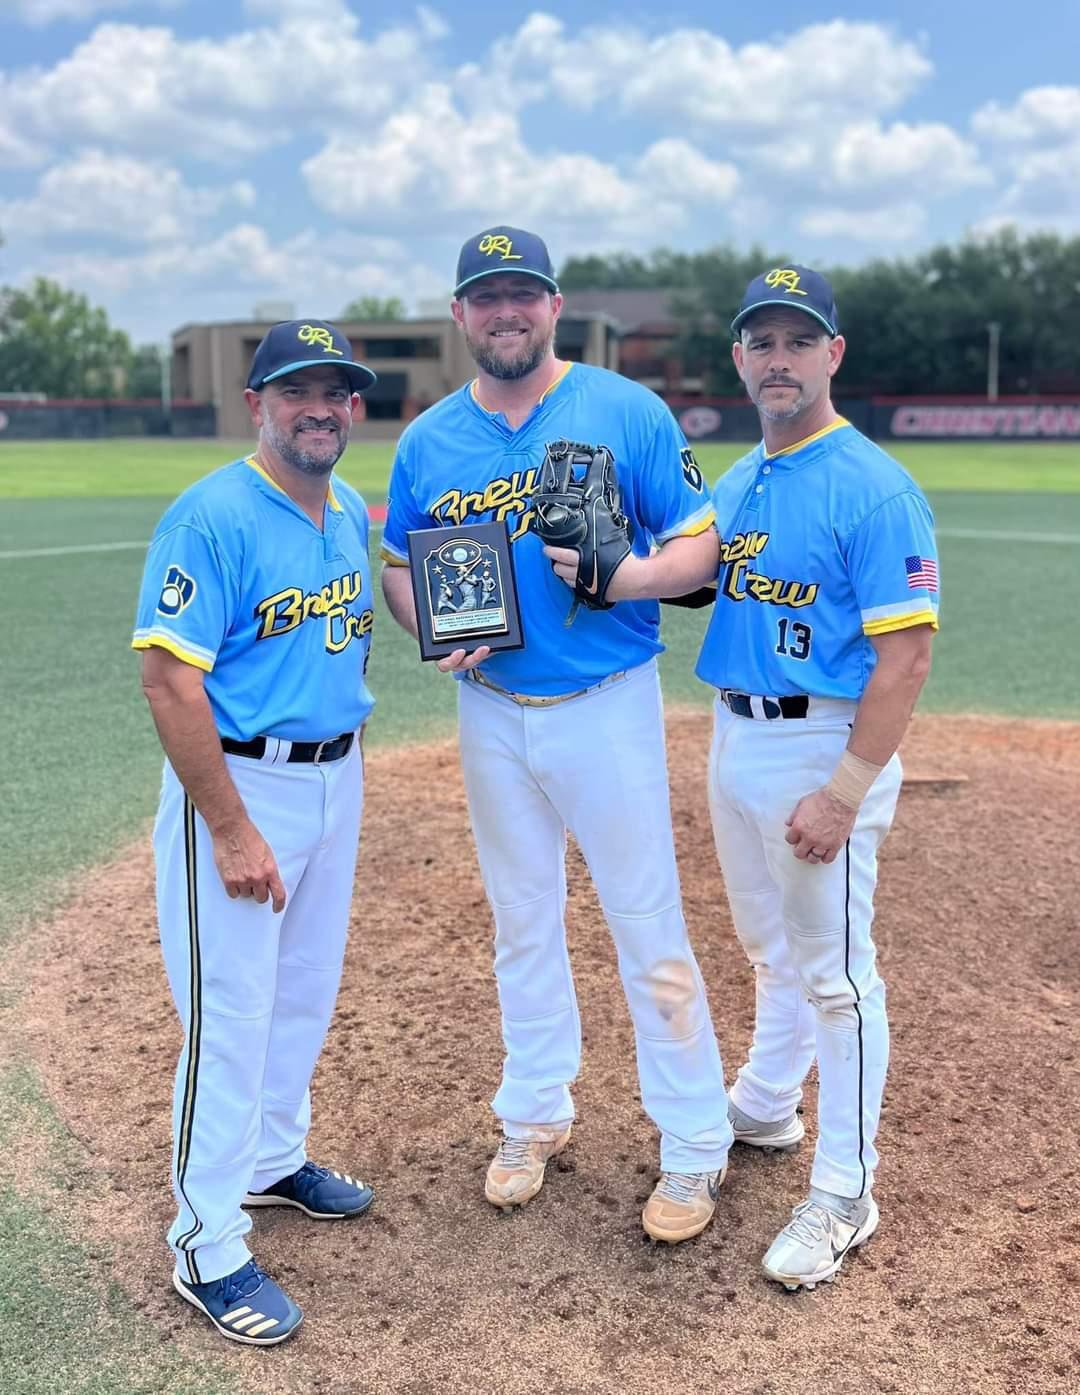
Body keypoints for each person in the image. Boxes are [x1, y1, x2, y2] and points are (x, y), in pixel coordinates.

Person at [549, 264, 939, 1290]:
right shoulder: (747, 476)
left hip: (825, 742)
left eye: (797, 341)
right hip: (739, 735)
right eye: (760, 343)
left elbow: (906, 660)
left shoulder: (874, 486)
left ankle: (848, 1191)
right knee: (770, 946)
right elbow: (688, 567)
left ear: (832, 356)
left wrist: (848, 788)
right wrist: (603, 572)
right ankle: (768, 1101)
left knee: (840, 978)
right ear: (739, 360)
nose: (778, 359)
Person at [380, 225, 734, 1244]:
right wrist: (431, 627)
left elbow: (700, 540)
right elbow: (403, 564)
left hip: (608, 701)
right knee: (521, 924)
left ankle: (694, 1143)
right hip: (489, 709)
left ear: (553, 305)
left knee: (645, 926)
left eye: (522, 294)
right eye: (485, 297)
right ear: (460, 316)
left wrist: (632, 579)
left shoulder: (624, 408)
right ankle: (533, 1115)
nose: (506, 312)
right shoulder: (429, 439)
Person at [132, 319, 379, 1344]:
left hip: (336, 776)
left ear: (354, 410)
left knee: (303, 991)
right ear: (257, 405)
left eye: (335, 392)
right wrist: (229, 830)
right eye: (295, 391)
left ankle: (274, 1157)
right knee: (229, 1016)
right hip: (239, 786)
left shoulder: (351, 507)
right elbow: (168, 679)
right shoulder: (213, 516)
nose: (317, 408)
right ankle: (206, 1243)